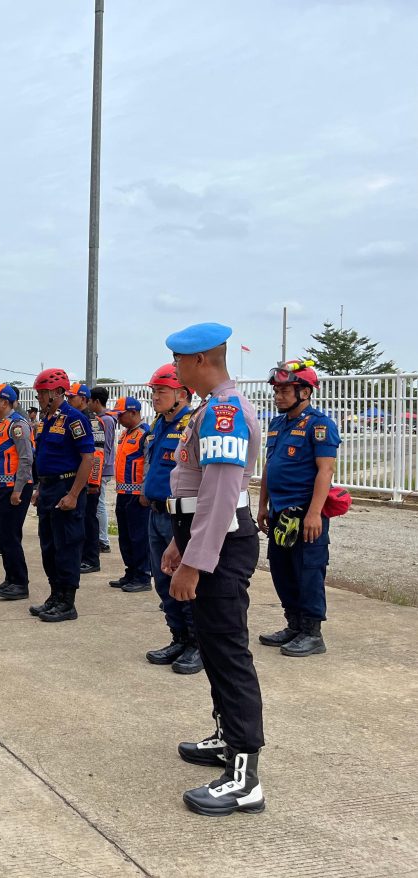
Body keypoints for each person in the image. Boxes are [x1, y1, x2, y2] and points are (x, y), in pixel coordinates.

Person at [161, 322, 265, 817]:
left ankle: (244, 779)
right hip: (205, 539)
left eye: (179, 359)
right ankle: (227, 738)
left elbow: (222, 493)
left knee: (228, 653)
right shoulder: (209, 408)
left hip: (221, 548)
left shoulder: (225, 412)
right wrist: (180, 544)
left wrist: (196, 562)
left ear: (200, 359)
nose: (175, 367)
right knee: (215, 648)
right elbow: (196, 487)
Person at [258, 358, 341, 658]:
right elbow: (269, 466)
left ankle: (312, 633)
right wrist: (263, 505)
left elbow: (325, 471)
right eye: (276, 391)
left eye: (285, 390)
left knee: (308, 571)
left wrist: (315, 513)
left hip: (306, 512)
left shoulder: (320, 425)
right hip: (279, 512)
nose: (278, 396)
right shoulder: (277, 424)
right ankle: (294, 625)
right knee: (281, 570)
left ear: (305, 392)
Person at [140, 365, 202, 675]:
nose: (155, 397)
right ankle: (178, 637)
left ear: (182, 394)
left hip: (180, 516)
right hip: (156, 513)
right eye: (153, 391)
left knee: (185, 583)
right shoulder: (159, 424)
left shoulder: (192, 424)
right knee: (163, 582)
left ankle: (197, 644)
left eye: (161, 391)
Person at [29, 369, 95, 622]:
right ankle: (55, 595)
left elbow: (88, 459)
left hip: (66, 487)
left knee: (66, 545)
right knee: (49, 546)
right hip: (48, 489)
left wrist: (74, 494)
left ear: (57, 392)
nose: (39, 397)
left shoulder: (74, 419)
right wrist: (39, 488)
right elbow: (46, 458)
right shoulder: (47, 420)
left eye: (42, 392)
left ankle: (67, 602)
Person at [0, 384, 34, 599]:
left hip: (13, 489)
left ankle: (19, 583)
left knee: (10, 537)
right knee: (2, 537)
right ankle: (10, 579)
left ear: (5, 402)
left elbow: (26, 458)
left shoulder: (17, 425)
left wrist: (18, 490)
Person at [110, 397, 152, 593]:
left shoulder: (145, 434)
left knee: (139, 538)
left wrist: (144, 492)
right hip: (123, 492)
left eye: (121, 415)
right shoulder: (125, 434)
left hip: (137, 495)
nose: (118, 419)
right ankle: (131, 572)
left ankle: (143, 576)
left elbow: (149, 465)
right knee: (125, 537)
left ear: (133, 412)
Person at [66, 383, 106, 575]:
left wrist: (93, 482)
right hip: (76, 479)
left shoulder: (93, 421)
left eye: (71, 397)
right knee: (79, 520)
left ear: (83, 399)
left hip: (88, 482)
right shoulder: (74, 418)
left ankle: (91, 559)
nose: (68, 401)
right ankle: (81, 556)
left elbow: (97, 454)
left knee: (89, 520)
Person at [89, 386, 117, 555]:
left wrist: (99, 470)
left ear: (96, 401)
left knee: (99, 505)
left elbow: (105, 448)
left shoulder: (105, 420)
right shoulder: (105, 419)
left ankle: (103, 540)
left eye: (90, 401)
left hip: (102, 469)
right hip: (103, 468)